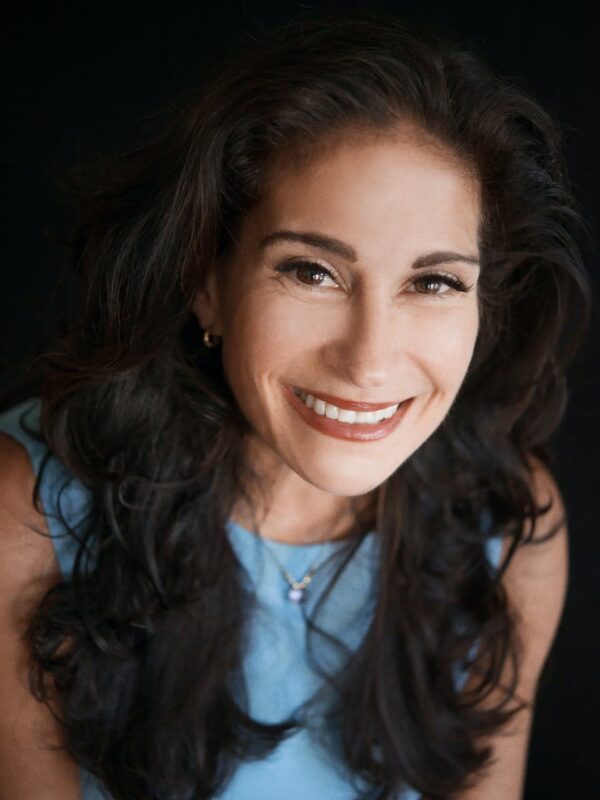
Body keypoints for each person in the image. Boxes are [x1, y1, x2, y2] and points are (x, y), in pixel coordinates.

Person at [0, 8, 591, 800]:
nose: (370, 362)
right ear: (207, 284)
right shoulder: (26, 514)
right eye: (312, 272)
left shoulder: (509, 524)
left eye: (435, 282)